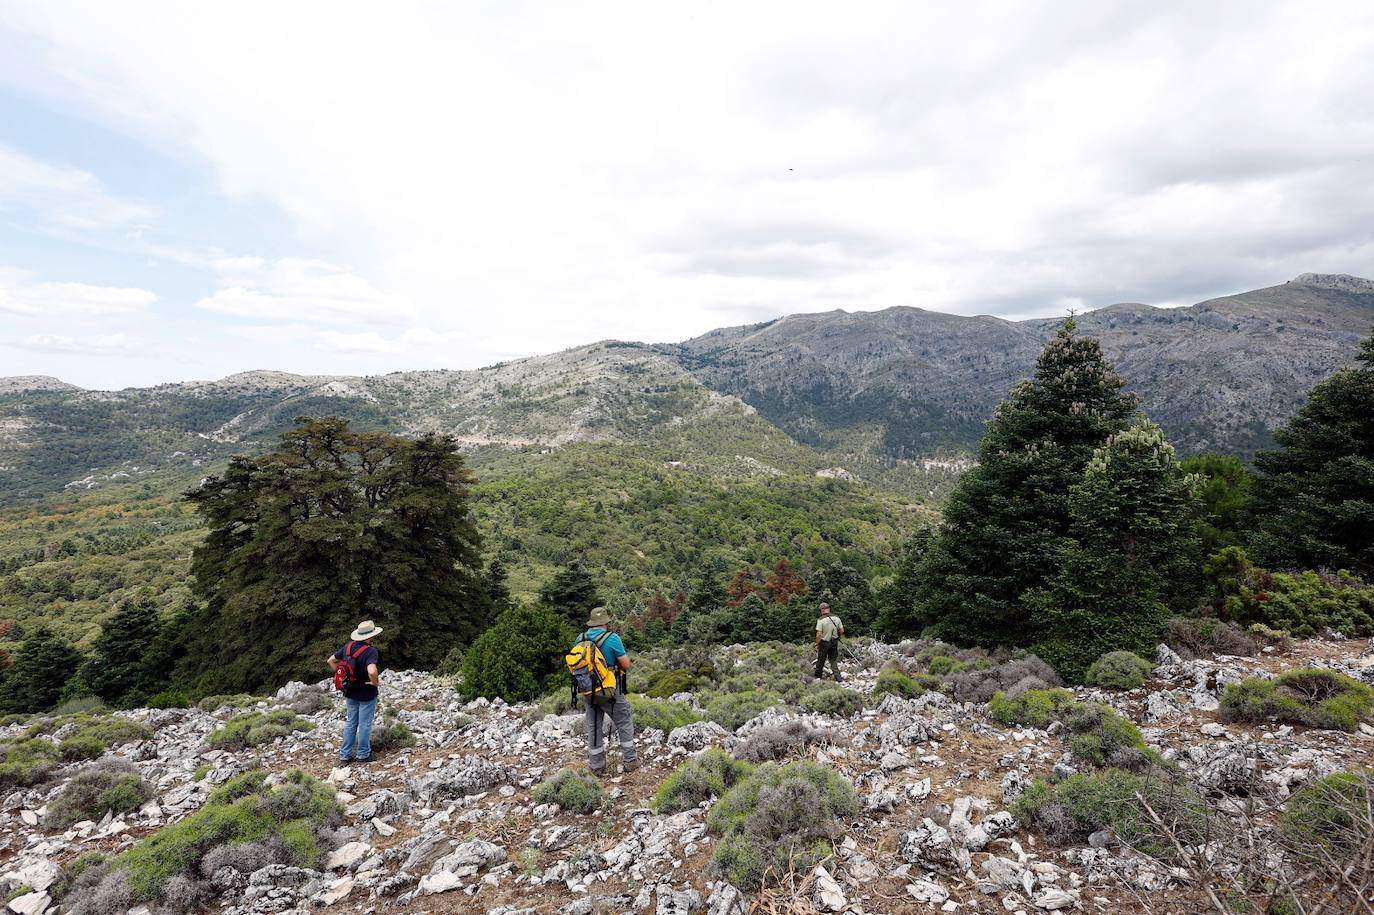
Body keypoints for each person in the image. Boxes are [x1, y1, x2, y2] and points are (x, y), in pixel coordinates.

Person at [578, 607, 637, 776]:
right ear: (605, 622)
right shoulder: (612, 638)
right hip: (609, 690)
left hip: (588, 690)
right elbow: (625, 665)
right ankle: (630, 761)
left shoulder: (580, 638)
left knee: (593, 726)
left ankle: (596, 766)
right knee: (623, 721)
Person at [327, 620, 382, 764]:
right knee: (364, 724)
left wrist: (343, 676)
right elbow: (372, 671)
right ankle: (363, 754)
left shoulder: (348, 647)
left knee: (351, 722)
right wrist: (375, 682)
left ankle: (345, 756)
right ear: (370, 636)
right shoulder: (371, 651)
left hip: (350, 690)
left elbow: (331, 661)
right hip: (366, 692)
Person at [814, 602, 844, 682]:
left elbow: (819, 634)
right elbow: (841, 631)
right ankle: (839, 678)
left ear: (821, 610)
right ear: (829, 609)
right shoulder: (837, 618)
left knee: (821, 660)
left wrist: (817, 643)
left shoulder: (821, 620)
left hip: (824, 643)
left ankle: (818, 677)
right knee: (833, 660)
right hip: (834, 642)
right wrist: (838, 637)